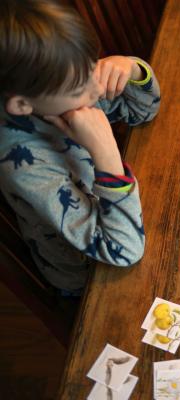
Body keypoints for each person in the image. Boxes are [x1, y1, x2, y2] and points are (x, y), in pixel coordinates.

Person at [0, 0, 161, 295]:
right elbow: (124, 250)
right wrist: (108, 154)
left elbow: (143, 112)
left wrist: (132, 68)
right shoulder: (25, 168)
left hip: (118, 211)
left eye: (93, 67)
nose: (97, 89)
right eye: (80, 88)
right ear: (21, 104)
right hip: (89, 278)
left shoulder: (62, 85)